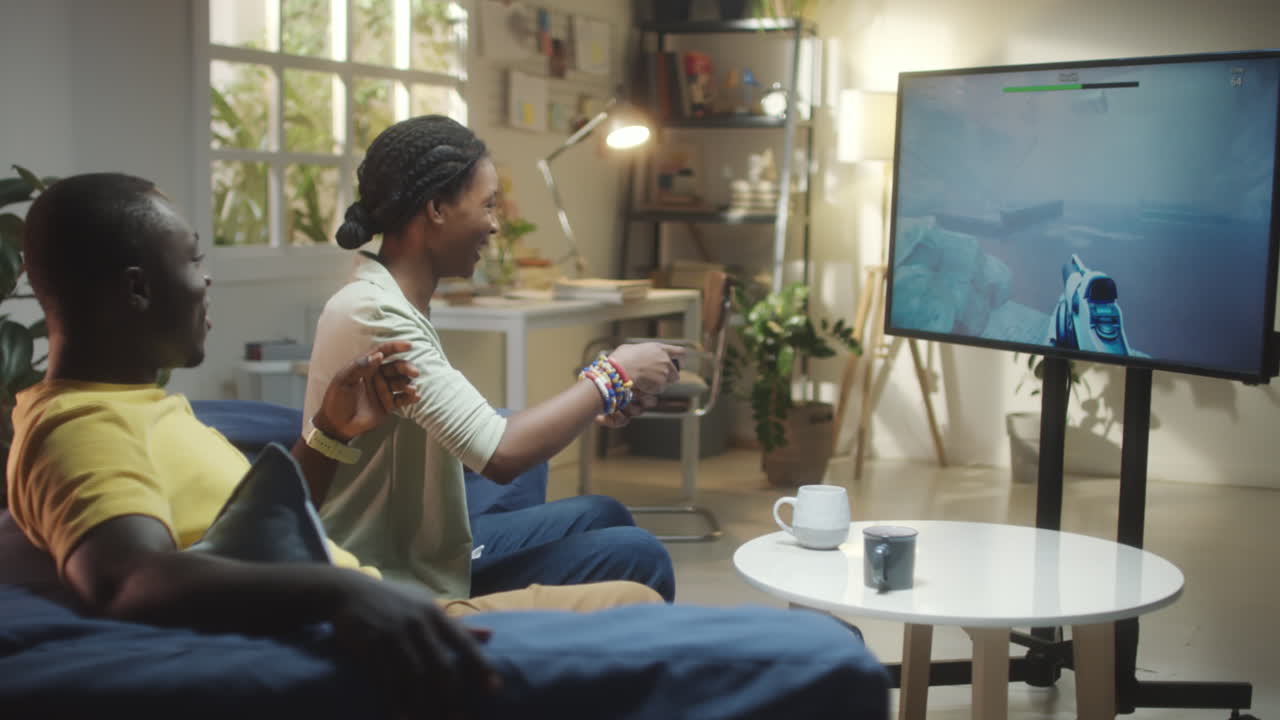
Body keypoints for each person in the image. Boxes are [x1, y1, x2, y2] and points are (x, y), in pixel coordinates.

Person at [4, 171, 890, 719]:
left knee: (617, 541)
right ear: (132, 288)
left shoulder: (139, 405)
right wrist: (353, 599)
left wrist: (329, 436)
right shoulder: (80, 427)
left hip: (370, 602)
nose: (205, 283)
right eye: (193, 258)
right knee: (653, 585)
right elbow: (128, 581)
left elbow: (257, 524)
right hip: (374, 621)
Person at [304, 115, 680, 602]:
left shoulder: (387, 298)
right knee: (638, 553)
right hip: (384, 571)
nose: (495, 225)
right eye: (487, 205)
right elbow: (500, 454)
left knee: (603, 514)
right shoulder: (374, 312)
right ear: (436, 208)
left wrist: (595, 401)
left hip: (413, 543)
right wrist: (613, 375)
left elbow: (472, 428)